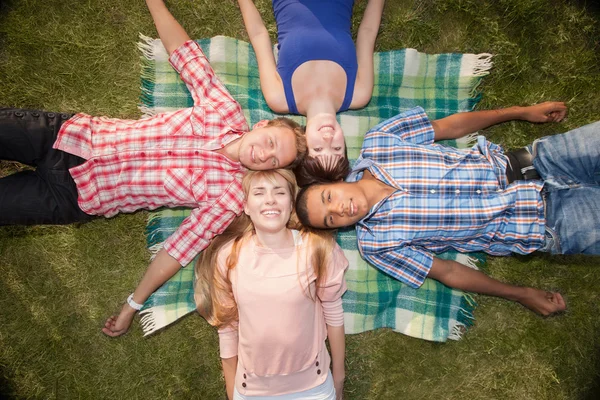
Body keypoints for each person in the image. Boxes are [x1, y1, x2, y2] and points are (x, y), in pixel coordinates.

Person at [0, 0, 307, 336]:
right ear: (262, 124)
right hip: (68, 135)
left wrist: (132, 304)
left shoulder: (229, 197)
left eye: (274, 161)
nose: (265, 155)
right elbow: (185, 55)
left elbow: (179, 249)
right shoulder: (223, 109)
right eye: (271, 142)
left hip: (72, 197)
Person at [295, 101, 600, 316]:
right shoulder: (376, 244)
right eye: (330, 219)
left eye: (328, 198)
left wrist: (521, 112)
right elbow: (449, 271)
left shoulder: (380, 142)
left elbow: (448, 126)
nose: (339, 209)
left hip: (537, 159)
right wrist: (521, 294)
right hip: (546, 222)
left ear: (333, 180)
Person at [194, 169, 348, 400]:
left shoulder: (318, 249)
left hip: (313, 387)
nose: (270, 200)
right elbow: (227, 328)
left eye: (279, 192)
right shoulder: (229, 256)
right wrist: (231, 392)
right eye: (259, 192)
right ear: (246, 206)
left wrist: (339, 377)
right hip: (251, 391)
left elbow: (333, 313)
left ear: (291, 203)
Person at [237, 0, 385, 158]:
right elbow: (367, 33)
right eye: (337, 149)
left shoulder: (279, 98)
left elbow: (259, 35)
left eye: (318, 149)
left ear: (303, 145)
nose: (328, 139)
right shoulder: (359, 94)